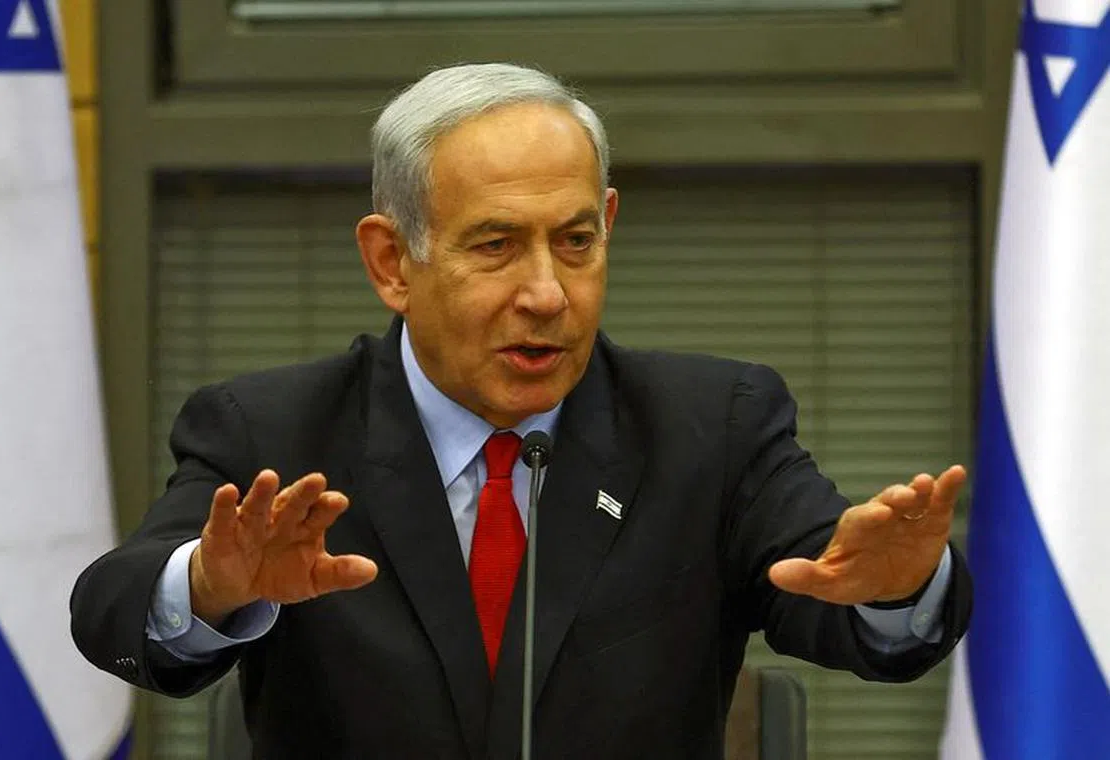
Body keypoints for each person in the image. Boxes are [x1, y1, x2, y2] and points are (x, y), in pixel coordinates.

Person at [70, 63, 971, 759]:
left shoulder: (714, 426)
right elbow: (110, 611)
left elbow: (831, 591)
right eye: (496, 246)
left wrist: (895, 589)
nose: (547, 293)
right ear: (392, 262)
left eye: (576, 242)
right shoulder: (273, 430)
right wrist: (211, 587)